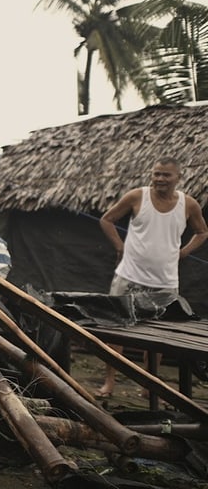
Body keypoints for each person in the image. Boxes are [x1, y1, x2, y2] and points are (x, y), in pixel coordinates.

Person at [97, 156, 208, 397]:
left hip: (164, 281)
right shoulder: (138, 196)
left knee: (158, 335)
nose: (160, 179)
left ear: (178, 177)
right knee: (117, 329)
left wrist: (184, 252)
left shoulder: (188, 205)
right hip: (129, 275)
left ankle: (150, 384)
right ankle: (109, 382)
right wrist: (119, 246)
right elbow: (107, 220)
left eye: (166, 175)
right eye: (156, 174)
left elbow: (202, 232)